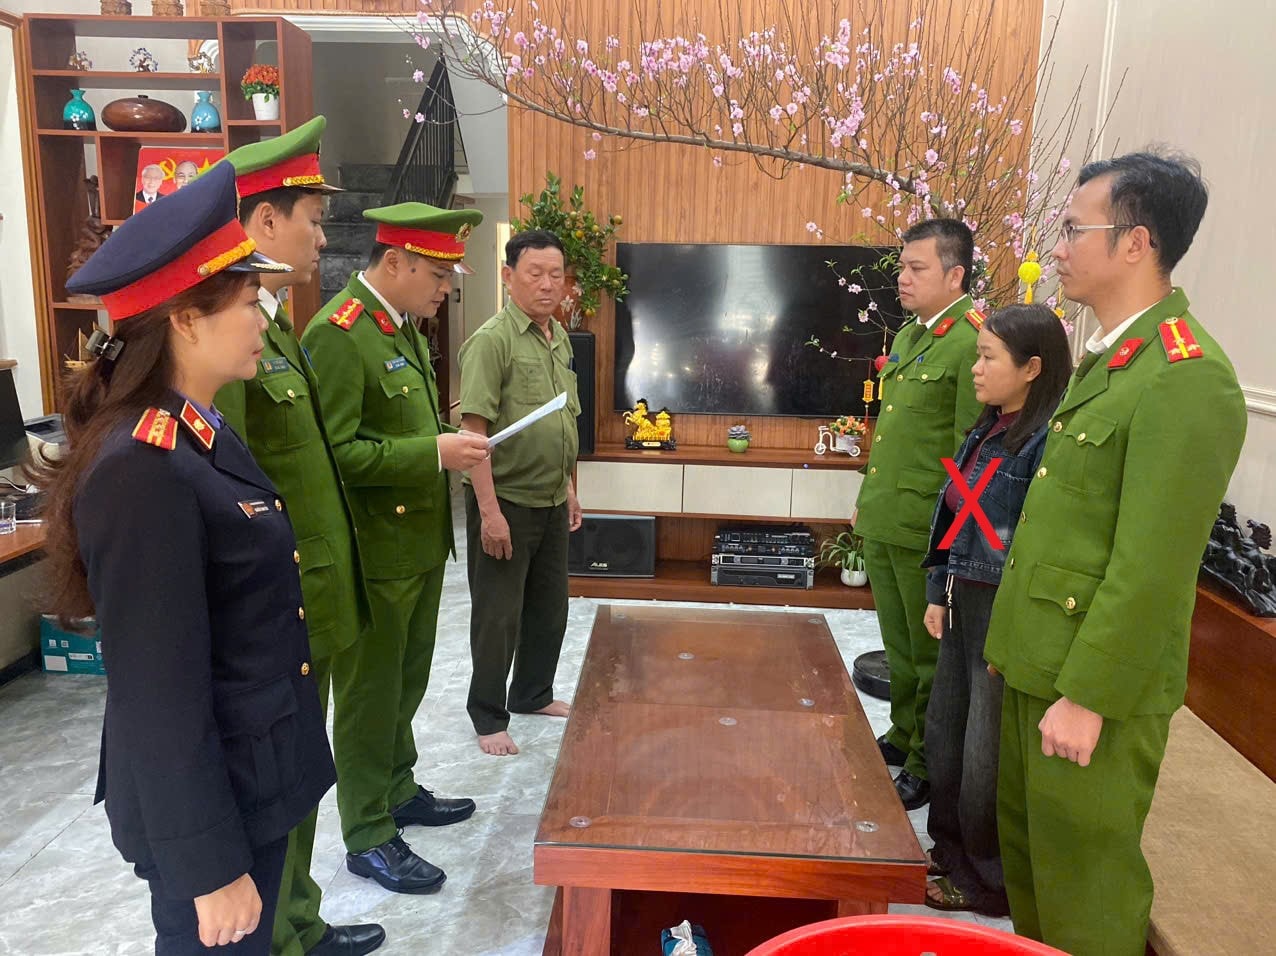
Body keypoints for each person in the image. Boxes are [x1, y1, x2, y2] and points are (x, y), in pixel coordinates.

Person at [38, 161, 335, 954]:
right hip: (210, 809)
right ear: (185, 320)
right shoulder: (141, 467)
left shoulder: (198, 429)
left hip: (251, 776)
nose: (264, 317)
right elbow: (156, 688)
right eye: (248, 300)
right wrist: (208, 865)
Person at [984, 150, 1247, 956]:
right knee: (1034, 880)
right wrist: (1014, 645)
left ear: (1136, 243)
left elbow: (1152, 568)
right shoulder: (1113, 359)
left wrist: (1089, 695)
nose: (1057, 248)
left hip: (1092, 684)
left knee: (1086, 897)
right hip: (1041, 662)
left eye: (1074, 230)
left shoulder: (1185, 377)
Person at [216, 117, 385, 956]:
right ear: (264, 221)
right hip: (281, 606)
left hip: (314, 594)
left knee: (303, 776)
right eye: (313, 221)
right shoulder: (237, 335)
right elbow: (233, 489)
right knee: (280, 785)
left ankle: (300, 919)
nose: (324, 238)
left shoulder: (278, 323)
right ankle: (283, 935)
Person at [300, 202, 489, 895]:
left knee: (406, 682)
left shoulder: (398, 325)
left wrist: (439, 447)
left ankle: (398, 788)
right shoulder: (339, 333)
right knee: (369, 697)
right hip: (374, 552)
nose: (445, 289)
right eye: (437, 275)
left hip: (417, 546)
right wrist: (433, 452)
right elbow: (336, 452)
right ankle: (368, 831)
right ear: (395, 261)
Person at [918, 304, 1071, 917]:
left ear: (1032, 368)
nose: (975, 369)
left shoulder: (1044, 442)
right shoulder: (988, 426)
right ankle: (949, 849)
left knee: (986, 750)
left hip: (1001, 606)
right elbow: (953, 515)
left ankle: (987, 879)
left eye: (987, 358)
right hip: (964, 594)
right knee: (945, 731)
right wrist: (938, 590)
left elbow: (1036, 545)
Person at [852, 218, 983, 810]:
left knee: (931, 656)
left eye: (916, 268)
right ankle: (903, 734)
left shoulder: (971, 342)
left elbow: (970, 456)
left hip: (926, 530)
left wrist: (953, 545)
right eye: (901, 267)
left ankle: (927, 762)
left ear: (955, 275)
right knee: (897, 645)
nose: (902, 278)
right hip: (886, 518)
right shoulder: (909, 336)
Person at [458, 229, 583, 757]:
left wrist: (570, 488)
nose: (548, 284)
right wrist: (489, 513)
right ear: (509, 277)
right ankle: (488, 715)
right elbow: (473, 434)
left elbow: (563, 419)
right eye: (535, 273)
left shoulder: (559, 338)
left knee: (550, 608)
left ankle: (533, 693)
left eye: (556, 274)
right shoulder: (492, 341)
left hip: (551, 499)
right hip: (506, 500)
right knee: (498, 615)